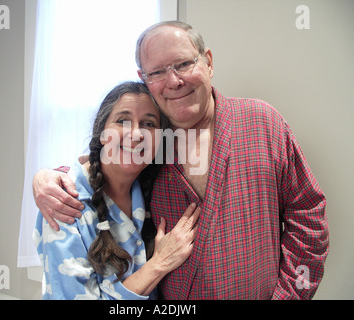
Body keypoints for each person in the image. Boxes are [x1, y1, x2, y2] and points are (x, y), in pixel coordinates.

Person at [33, 21, 329, 299]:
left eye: (184, 64)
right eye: (158, 72)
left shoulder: (262, 123)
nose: (174, 81)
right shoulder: (151, 146)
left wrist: (290, 294)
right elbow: (102, 165)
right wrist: (50, 177)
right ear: (144, 79)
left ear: (208, 62)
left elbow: (308, 214)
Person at [33, 81, 200, 300]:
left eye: (149, 124)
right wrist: (159, 264)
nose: (136, 134)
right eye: (123, 121)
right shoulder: (65, 202)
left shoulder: (155, 190)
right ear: (102, 132)